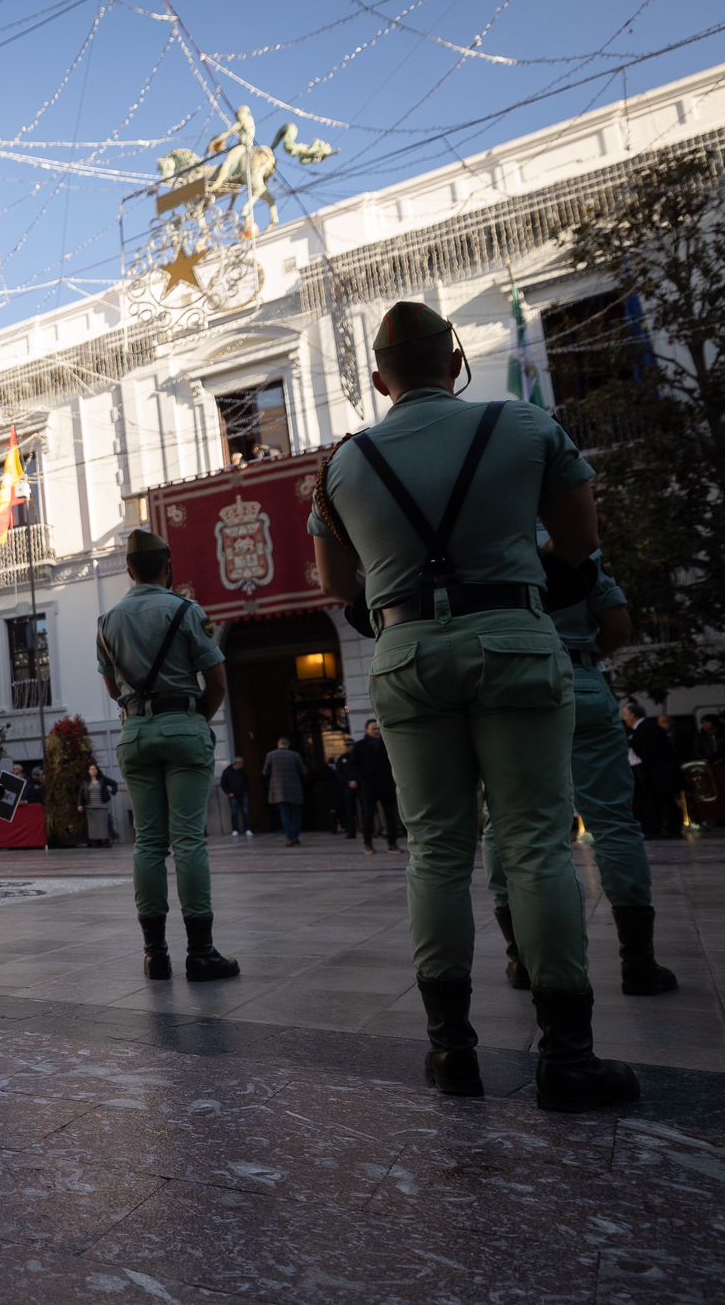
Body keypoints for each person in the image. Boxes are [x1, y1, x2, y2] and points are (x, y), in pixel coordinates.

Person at [310, 298, 636, 1112]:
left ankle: (452, 1050)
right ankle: (568, 1053)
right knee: (536, 843)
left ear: (380, 379)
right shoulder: (525, 427)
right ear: (456, 362)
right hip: (516, 642)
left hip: (409, 652)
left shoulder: (344, 466)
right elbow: (580, 543)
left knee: (436, 851)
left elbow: (337, 587)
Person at [485, 555, 677, 999]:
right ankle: (639, 963)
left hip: (513, 685)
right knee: (613, 821)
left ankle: (521, 959)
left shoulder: (485, 544)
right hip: (580, 679)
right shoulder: (572, 548)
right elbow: (618, 626)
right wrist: (582, 657)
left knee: (505, 822)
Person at [98, 528, 238, 982]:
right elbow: (216, 680)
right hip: (184, 724)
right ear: (168, 566)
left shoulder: (108, 621)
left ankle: (154, 954)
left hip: (135, 731)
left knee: (149, 842)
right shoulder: (186, 611)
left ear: (129, 570)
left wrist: (136, 712)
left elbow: (113, 687)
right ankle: (201, 952)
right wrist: (196, 717)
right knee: (189, 840)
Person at [622, 701, 683, 838]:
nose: (624, 718)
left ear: (633, 715)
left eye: (626, 714)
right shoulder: (644, 728)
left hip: (659, 774)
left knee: (662, 801)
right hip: (657, 773)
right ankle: (665, 828)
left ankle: (664, 829)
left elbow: (650, 753)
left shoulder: (646, 728)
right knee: (661, 802)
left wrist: (642, 770)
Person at [348, 720, 402, 854]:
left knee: (391, 814)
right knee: (368, 815)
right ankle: (368, 843)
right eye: (373, 729)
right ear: (367, 730)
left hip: (386, 783)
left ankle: (392, 843)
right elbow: (354, 765)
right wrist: (361, 778)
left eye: (378, 728)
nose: (377, 731)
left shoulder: (387, 743)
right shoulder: (359, 745)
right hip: (368, 785)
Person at [261, 737, 307, 846]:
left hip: (279, 790)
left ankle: (290, 838)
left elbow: (265, 772)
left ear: (278, 744)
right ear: (288, 745)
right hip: (294, 789)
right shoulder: (295, 755)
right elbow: (304, 771)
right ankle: (295, 837)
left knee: (284, 813)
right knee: (296, 814)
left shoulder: (271, 755)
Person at [81, 762, 119, 847]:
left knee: (103, 825)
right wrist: (80, 804)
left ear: (97, 770)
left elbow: (114, 783)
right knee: (93, 827)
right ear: (88, 771)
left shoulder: (102, 779)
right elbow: (81, 793)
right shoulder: (86, 781)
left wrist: (113, 792)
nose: (93, 770)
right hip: (90, 807)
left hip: (102, 806)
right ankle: (96, 842)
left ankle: (105, 841)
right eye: (91, 769)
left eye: (95, 769)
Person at [219, 757, 251, 838]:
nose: (243, 765)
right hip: (233, 795)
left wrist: (246, 790)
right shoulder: (227, 771)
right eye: (241, 764)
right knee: (234, 812)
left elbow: (246, 781)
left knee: (246, 812)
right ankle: (235, 830)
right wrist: (228, 792)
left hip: (243, 794)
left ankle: (247, 829)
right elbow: (223, 783)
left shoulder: (243, 771)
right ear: (237, 764)